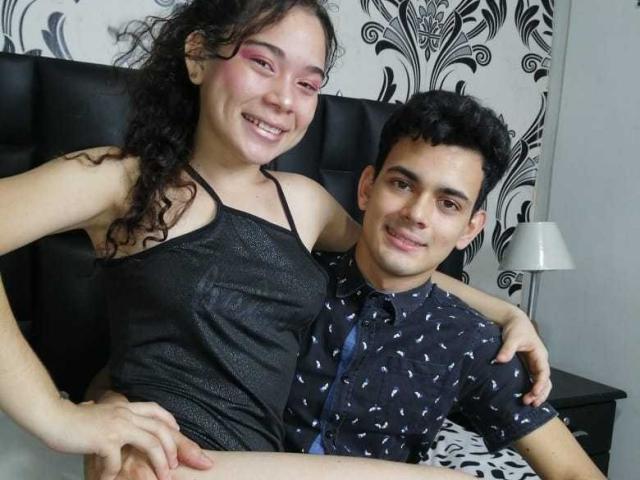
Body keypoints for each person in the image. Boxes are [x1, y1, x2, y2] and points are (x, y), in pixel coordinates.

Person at [0, 1, 546, 479]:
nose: (285, 99)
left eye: (307, 84)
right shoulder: (123, 181)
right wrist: (57, 416)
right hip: (167, 464)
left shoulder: (304, 203)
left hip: (255, 462)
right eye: (263, 63)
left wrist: (504, 313)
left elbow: (393, 260)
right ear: (198, 56)